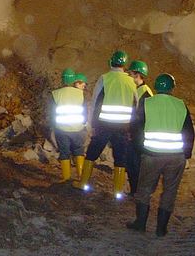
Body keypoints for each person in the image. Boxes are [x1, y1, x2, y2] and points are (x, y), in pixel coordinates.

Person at [127, 73, 195, 236]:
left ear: (156, 87)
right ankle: (161, 228)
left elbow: (136, 128)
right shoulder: (180, 105)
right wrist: (187, 153)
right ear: (172, 88)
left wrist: (140, 149)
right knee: (170, 191)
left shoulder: (147, 103)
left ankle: (140, 223)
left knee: (144, 190)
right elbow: (189, 132)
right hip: (175, 156)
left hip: (152, 155)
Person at [74, 50, 137, 198]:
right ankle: (117, 191)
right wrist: (131, 127)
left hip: (104, 125)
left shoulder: (105, 78)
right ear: (125, 64)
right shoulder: (131, 81)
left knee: (92, 153)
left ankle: (83, 183)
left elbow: (96, 102)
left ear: (111, 62)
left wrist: (92, 124)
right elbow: (136, 105)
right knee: (120, 158)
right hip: (123, 126)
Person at [50, 68, 87, 182]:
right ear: (74, 80)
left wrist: (53, 126)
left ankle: (66, 178)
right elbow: (84, 112)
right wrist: (84, 124)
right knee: (79, 151)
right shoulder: (81, 93)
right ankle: (81, 177)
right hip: (78, 128)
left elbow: (52, 113)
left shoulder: (56, 94)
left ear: (62, 79)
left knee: (64, 152)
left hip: (62, 129)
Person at [126, 60, 153, 195]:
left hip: (139, 135)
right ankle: (135, 191)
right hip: (137, 133)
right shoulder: (139, 90)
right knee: (133, 163)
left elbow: (140, 117)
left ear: (137, 75)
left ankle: (137, 191)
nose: (129, 76)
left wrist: (132, 132)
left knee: (135, 164)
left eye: (130, 74)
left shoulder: (144, 92)